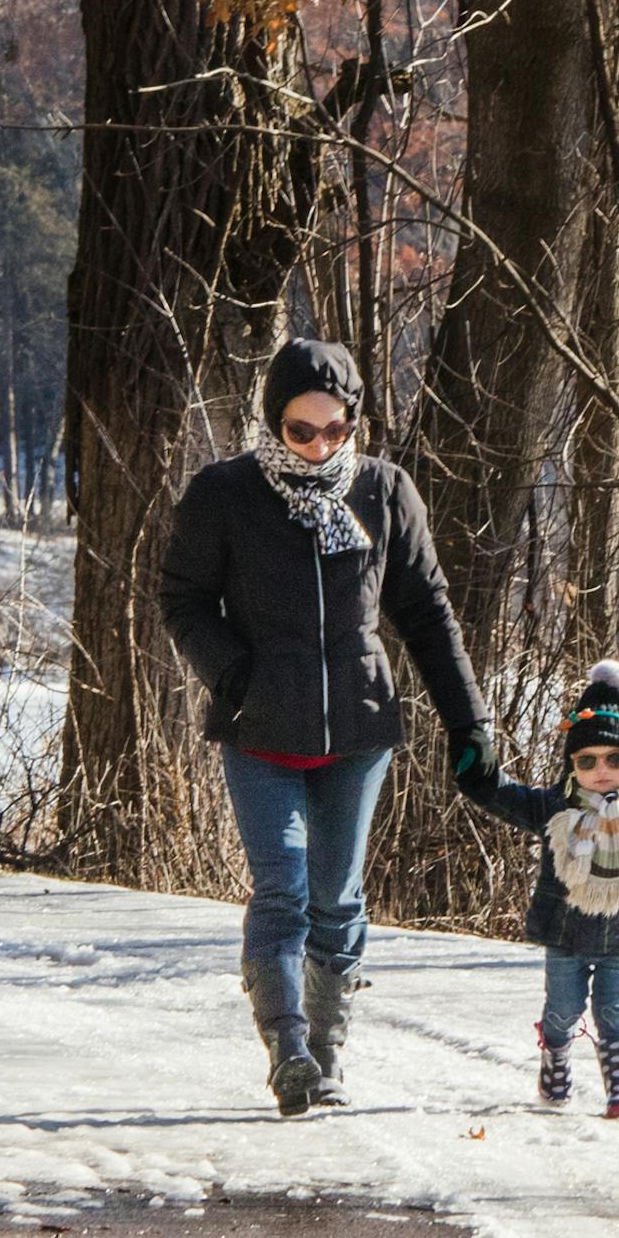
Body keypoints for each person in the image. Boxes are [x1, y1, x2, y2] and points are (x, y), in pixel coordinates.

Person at [159, 337, 496, 1116]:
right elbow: (181, 599)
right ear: (272, 423)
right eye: (301, 431)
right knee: (283, 888)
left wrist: (469, 719)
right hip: (260, 730)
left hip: (357, 730)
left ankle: (326, 1050)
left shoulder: (382, 492)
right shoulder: (226, 495)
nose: (318, 446)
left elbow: (428, 615)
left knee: (337, 897)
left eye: (334, 430)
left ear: (354, 424)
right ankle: (288, 1052)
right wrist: (234, 673)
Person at [455, 660, 619, 1118]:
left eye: (615, 759)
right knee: (562, 1011)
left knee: (613, 1014)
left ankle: (618, 1082)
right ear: (573, 766)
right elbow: (503, 796)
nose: (601, 771)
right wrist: (477, 770)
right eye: (588, 761)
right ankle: (556, 1055)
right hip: (564, 934)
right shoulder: (554, 807)